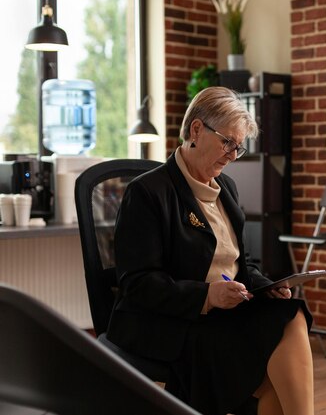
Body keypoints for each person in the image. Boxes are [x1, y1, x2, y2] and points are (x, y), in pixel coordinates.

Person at [108, 86, 314, 415]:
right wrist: (207, 296)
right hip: (170, 322)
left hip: (225, 312)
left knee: (292, 313)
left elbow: (239, 261)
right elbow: (138, 283)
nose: (233, 155)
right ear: (196, 129)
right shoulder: (146, 192)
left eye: (239, 148)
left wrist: (265, 286)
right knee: (274, 369)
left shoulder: (226, 189)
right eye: (227, 142)